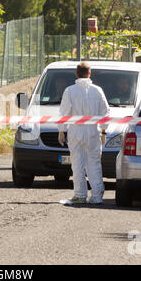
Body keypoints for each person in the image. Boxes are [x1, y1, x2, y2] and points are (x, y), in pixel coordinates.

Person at [58, 62, 110, 205]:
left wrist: (62, 130)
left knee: (77, 164)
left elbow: (64, 112)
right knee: (94, 164)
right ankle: (97, 196)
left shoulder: (70, 91)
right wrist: (104, 130)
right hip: (93, 131)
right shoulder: (97, 90)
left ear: (76, 74)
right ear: (89, 74)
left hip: (76, 131)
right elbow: (105, 112)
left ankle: (80, 194)